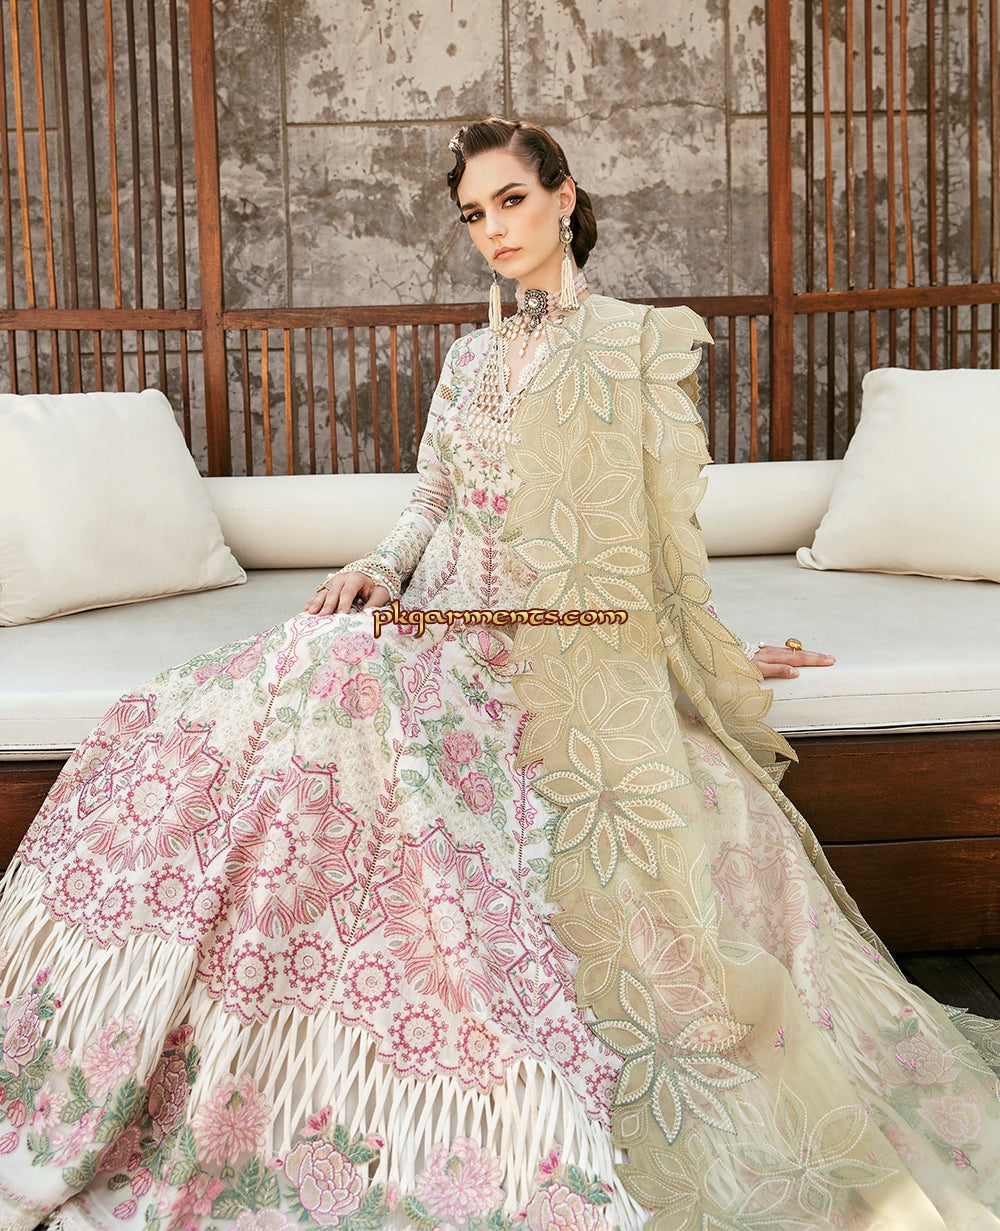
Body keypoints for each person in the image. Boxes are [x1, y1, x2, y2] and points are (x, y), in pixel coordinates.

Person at [1, 118, 999, 1231]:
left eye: (512, 201)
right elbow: (429, 499)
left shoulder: (637, 344)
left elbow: (653, 542)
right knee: (305, 666)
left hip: (550, 641)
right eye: (474, 214)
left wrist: (705, 648)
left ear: (565, 197)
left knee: (354, 689)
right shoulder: (469, 358)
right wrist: (378, 569)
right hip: (437, 618)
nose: (493, 230)